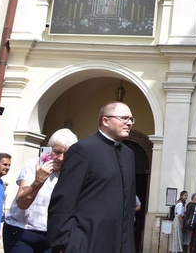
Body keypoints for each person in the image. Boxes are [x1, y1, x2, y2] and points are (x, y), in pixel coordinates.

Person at [47, 101, 136, 253]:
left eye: (131, 119)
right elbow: (63, 199)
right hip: (86, 241)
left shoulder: (128, 154)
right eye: (124, 118)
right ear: (105, 120)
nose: (129, 123)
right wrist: (63, 241)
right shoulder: (82, 150)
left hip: (120, 244)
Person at [3, 129, 78, 252]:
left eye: (66, 154)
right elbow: (22, 203)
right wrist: (38, 181)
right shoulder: (34, 165)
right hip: (21, 231)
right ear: (49, 149)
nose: (61, 158)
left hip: (50, 235)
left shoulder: (70, 173)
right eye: (57, 152)